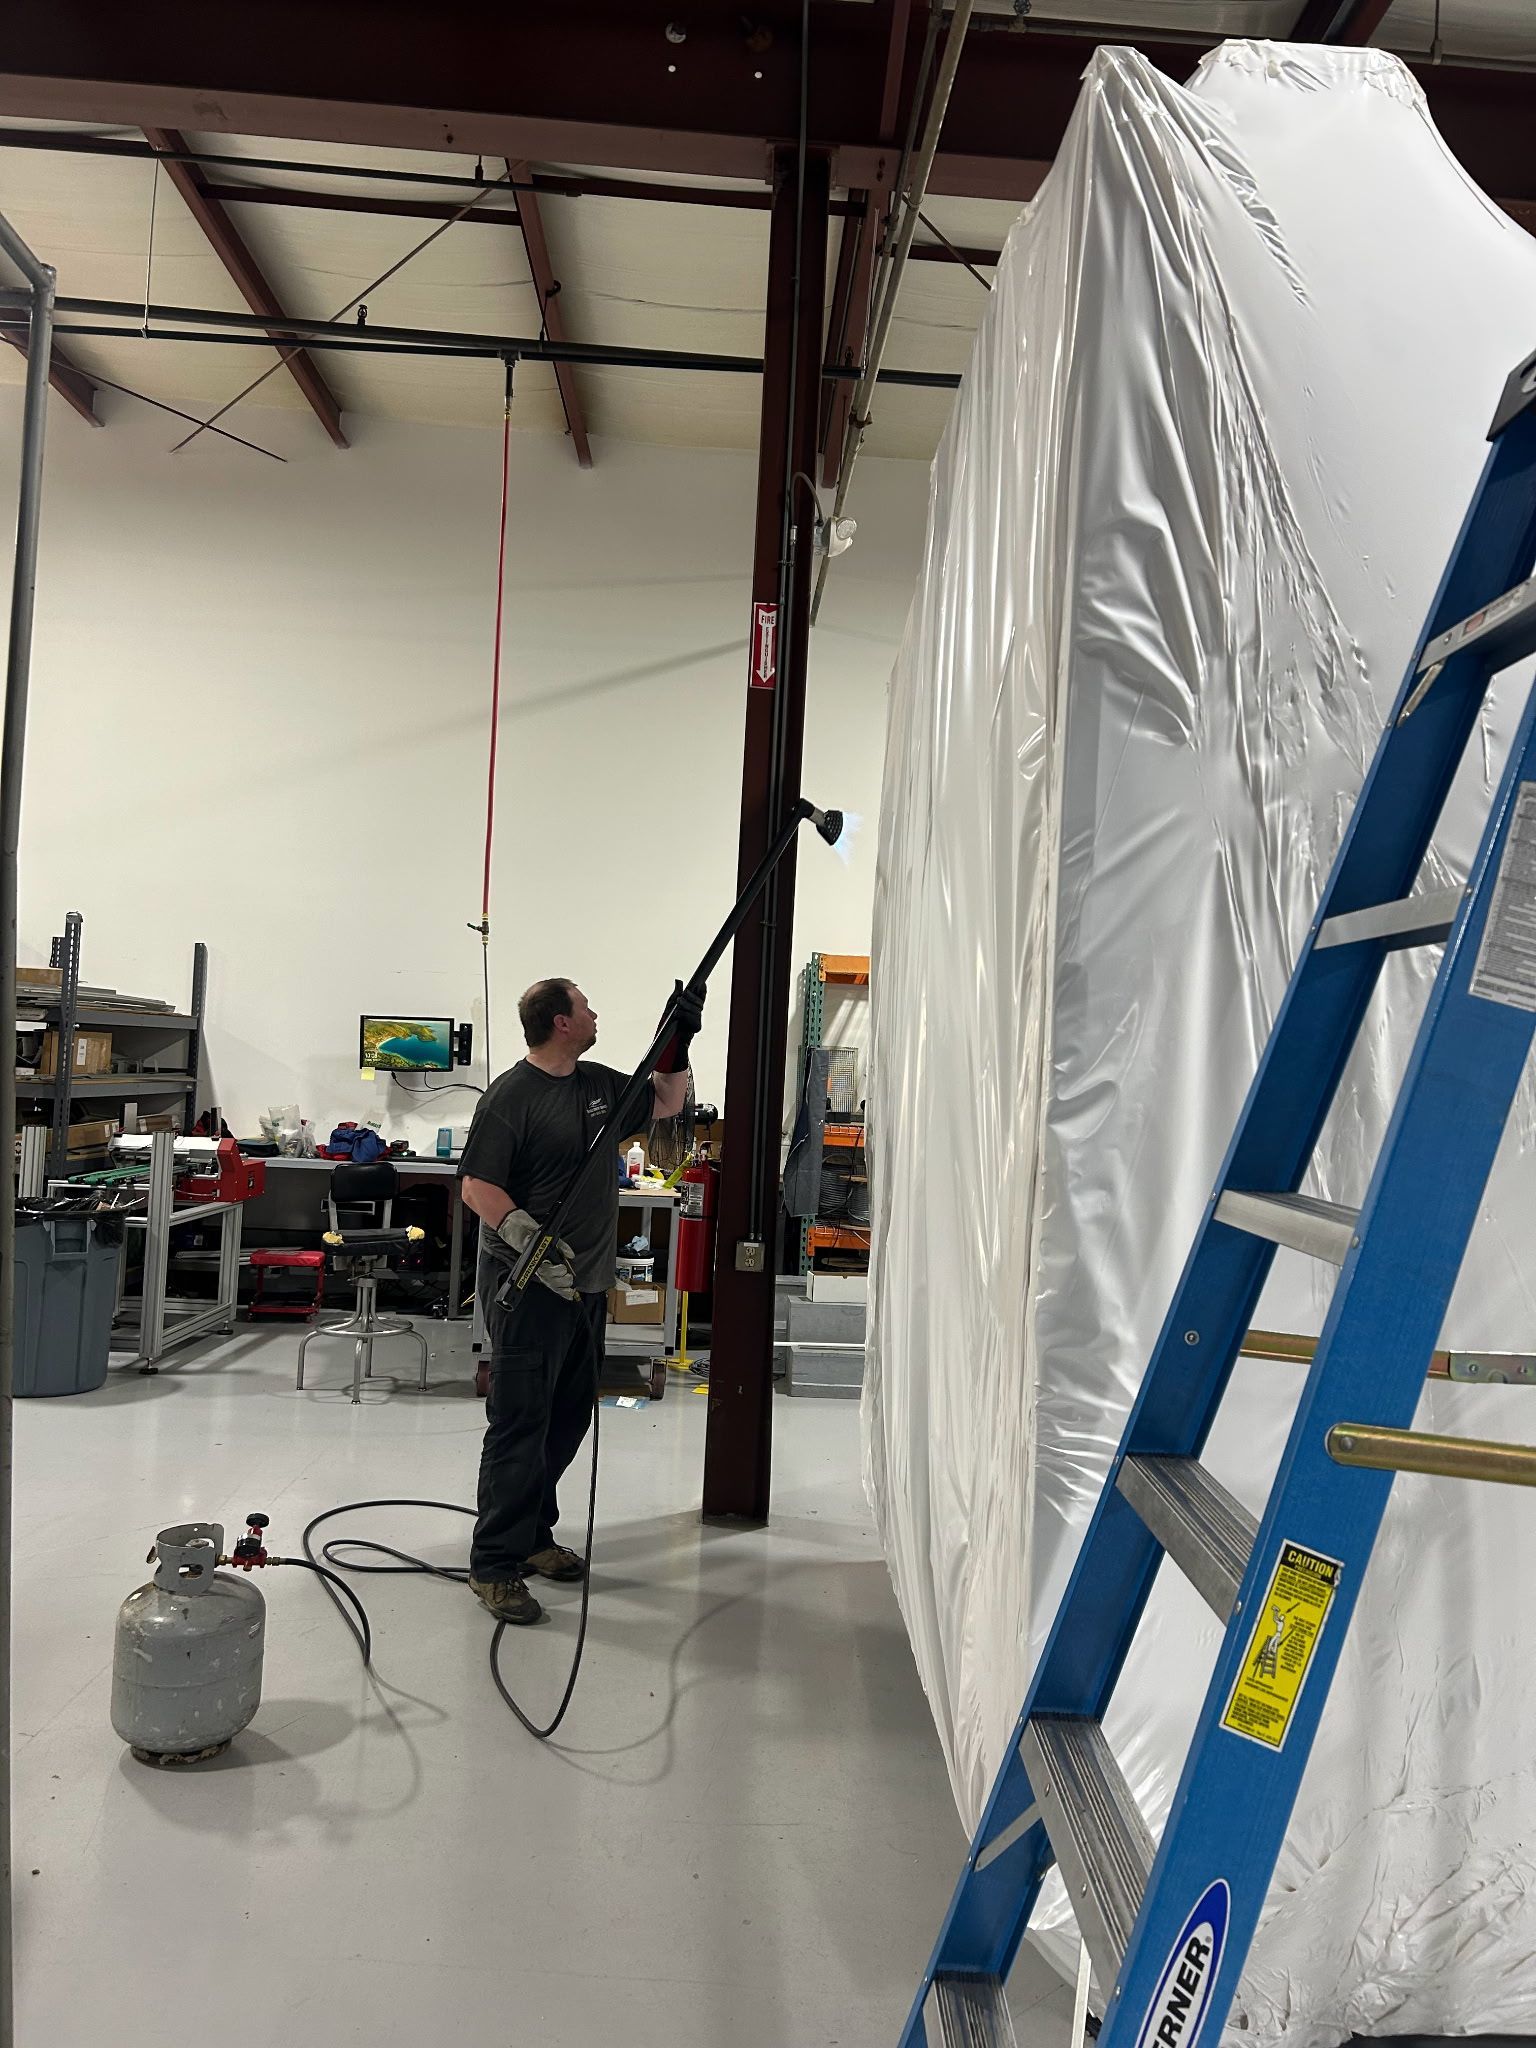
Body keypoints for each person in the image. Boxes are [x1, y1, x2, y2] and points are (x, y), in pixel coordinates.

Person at [457, 976, 703, 1625]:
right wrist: (528, 1239)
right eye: (586, 1006)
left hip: (586, 1287)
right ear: (561, 1022)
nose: (595, 1014)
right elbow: (477, 1186)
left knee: (566, 1420)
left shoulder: (597, 1084)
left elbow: (666, 1100)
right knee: (520, 1424)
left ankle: (533, 1535)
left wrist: (677, 1040)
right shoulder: (511, 1096)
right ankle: (493, 1565)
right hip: (529, 1289)